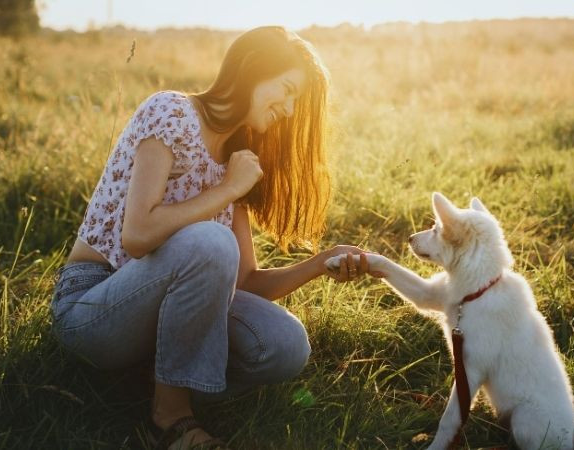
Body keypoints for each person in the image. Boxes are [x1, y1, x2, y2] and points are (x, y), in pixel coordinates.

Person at [50, 26, 369, 449]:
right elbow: (138, 235)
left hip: (170, 311)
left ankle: (155, 380)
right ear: (254, 70)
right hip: (94, 306)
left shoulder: (239, 158)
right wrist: (227, 190)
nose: (290, 110)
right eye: (288, 91)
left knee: (286, 345)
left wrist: (320, 263)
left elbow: (243, 281)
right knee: (212, 241)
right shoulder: (171, 112)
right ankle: (171, 417)